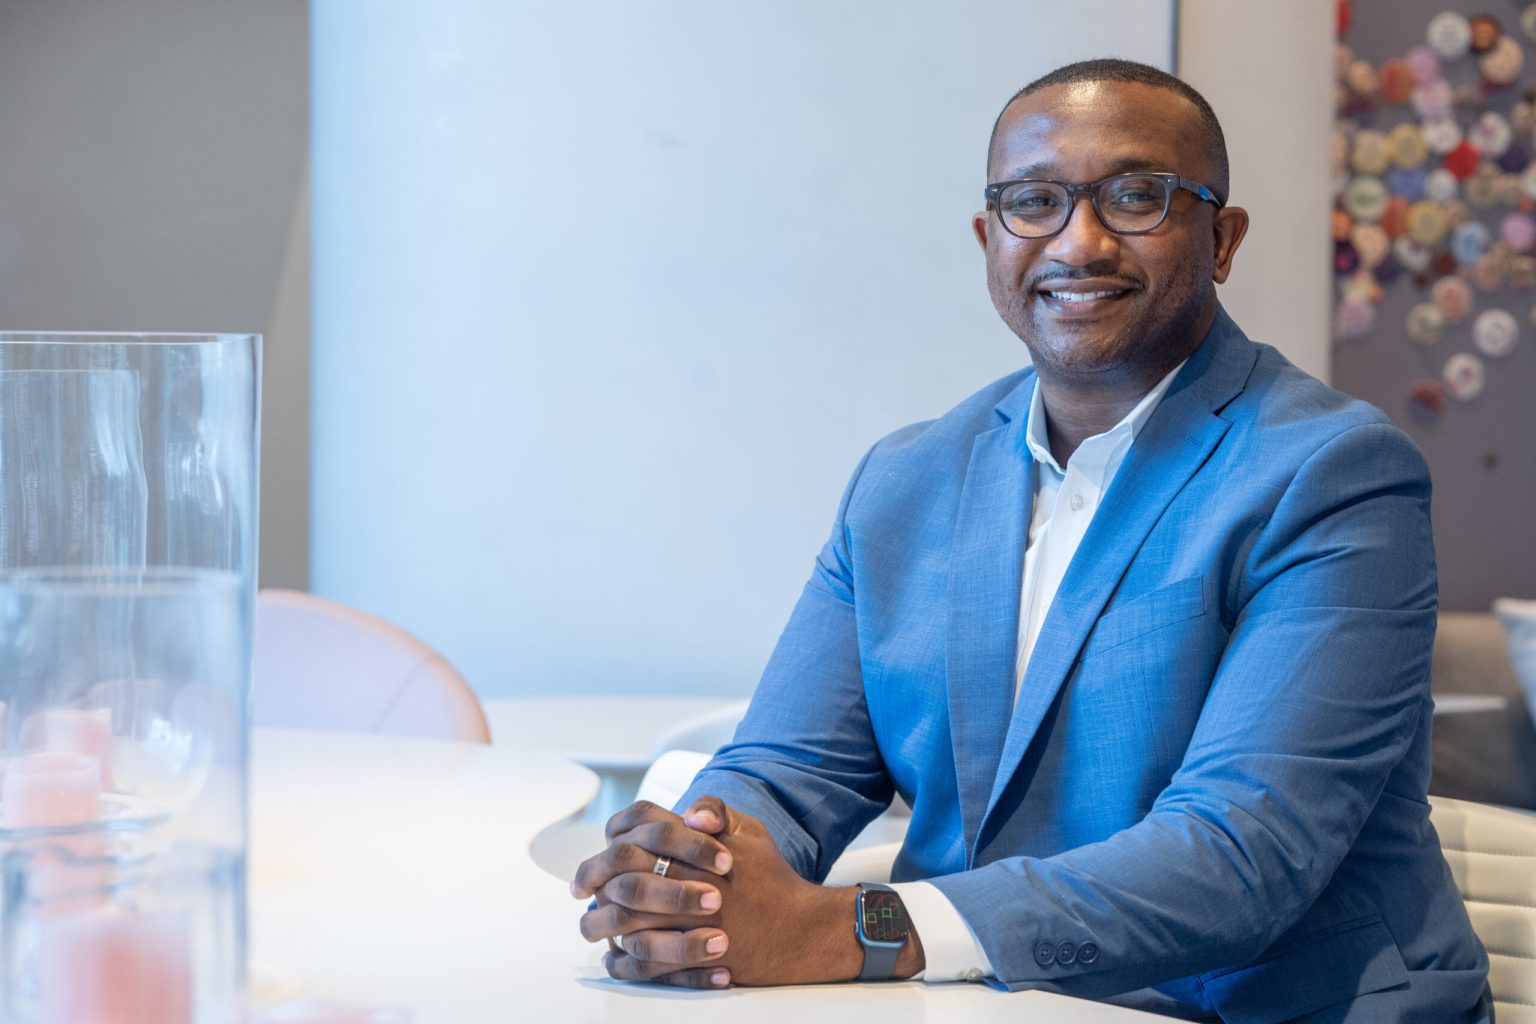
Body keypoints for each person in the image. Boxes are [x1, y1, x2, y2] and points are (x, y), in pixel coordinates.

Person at [571, 58, 1492, 1021]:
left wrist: (850, 930)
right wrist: (693, 875)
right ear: (990, 240)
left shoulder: (1334, 473)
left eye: (1135, 197)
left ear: (1222, 240)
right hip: (993, 1001)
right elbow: (789, 771)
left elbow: (1240, 855)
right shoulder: (905, 479)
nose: (1079, 242)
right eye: (1034, 202)